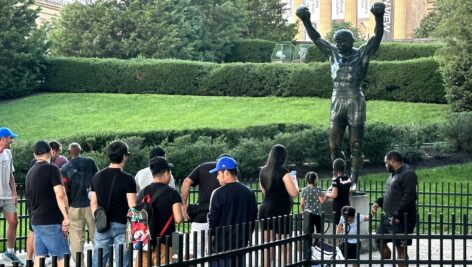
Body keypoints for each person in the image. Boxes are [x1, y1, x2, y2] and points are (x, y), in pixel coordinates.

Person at [296, 2, 385, 186]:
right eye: (337, 42)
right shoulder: (332, 54)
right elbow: (316, 38)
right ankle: (338, 176)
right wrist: (306, 21)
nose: (339, 45)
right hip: (337, 99)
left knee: (356, 145)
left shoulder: (361, 54)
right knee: (334, 145)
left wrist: (378, 17)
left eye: (343, 41)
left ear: (351, 42)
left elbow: (376, 38)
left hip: (355, 99)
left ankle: (353, 181)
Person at [89, 140, 137, 267]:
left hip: (102, 224)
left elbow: (93, 203)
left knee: (98, 261)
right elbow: (132, 206)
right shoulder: (128, 179)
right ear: (124, 156)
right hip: (123, 225)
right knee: (123, 262)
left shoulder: (97, 177)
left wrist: (98, 219)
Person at [25, 141, 70, 267]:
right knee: (63, 256)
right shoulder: (52, 169)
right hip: (50, 221)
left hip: (36, 222)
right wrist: (66, 217)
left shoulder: (30, 173)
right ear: (50, 152)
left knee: (39, 256)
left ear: (35, 155)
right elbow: (60, 195)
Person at [207, 156, 258, 267]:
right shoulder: (249, 192)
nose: (217, 177)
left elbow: (213, 222)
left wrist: (209, 245)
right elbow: (253, 219)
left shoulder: (218, 193)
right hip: (241, 245)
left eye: (218, 173)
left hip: (221, 248)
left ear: (226, 172)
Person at [371, 151, 417, 267]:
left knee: (400, 249)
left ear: (392, 161)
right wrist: (378, 202)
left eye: (386, 163)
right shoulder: (393, 174)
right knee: (378, 240)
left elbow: (409, 197)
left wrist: (397, 214)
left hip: (402, 218)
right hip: (388, 217)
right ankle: (388, 258)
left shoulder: (408, 174)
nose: (385, 165)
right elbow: (390, 194)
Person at [135, 156, 183, 266]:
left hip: (144, 243)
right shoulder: (173, 193)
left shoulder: (142, 192)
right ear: (166, 173)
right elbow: (179, 219)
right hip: (164, 243)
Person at [258, 144, 299, 267]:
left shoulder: (262, 171)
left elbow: (264, 191)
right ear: (283, 157)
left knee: (267, 246)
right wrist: (295, 182)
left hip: (265, 209)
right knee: (284, 246)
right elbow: (294, 192)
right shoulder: (284, 172)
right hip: (280, 210)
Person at [61, 142, 99, 266]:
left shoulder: (65, 168)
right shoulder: (90, 162)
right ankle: (100, 262)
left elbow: (64, 190)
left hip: (74, 207)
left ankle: (79, 264)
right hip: (91, 205)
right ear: (81, 151)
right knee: (96, 236)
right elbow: (97, 181)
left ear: (68, 153)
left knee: (76, 239)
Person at [180, 158, 221, 258]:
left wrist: (184, 205)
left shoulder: (203, 166)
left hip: (200, 216)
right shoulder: (233, 170)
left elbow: (186, 182)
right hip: (220, 218)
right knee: (214, 254)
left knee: (193, 254)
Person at [0, 127, 24, 266]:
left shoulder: (8, 153)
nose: (12, 140)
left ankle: (10, 252)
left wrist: (14, 192)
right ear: (3, 139)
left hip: (7, 195)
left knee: (14, 222)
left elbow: (10, 175)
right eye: (10, 138)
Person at [300, 171, 327, 245]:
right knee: (319, 231)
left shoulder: (304, 190)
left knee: (309, 232)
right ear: (315, 179)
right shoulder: (318, 189)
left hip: (308, 214)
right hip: (317, 213)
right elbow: (321, 201)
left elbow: (302, 204)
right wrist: (326, 196)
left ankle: (308, 248)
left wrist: (302, 211)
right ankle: (316, 245)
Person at [325, 158, 352, 225]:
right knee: (346, 225)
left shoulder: (335, 180)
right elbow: (349, 192)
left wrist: (327, 193)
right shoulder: (349, 179)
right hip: (346, 204)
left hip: (338, 206)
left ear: (335, 168)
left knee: (338, 226)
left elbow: (334, 195)